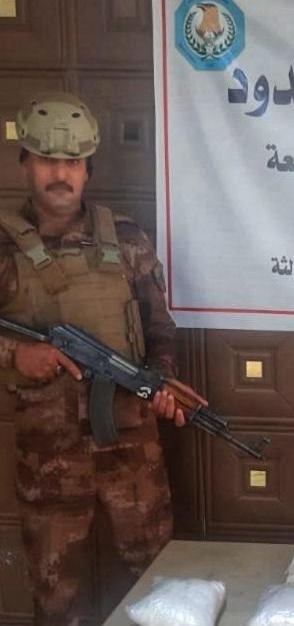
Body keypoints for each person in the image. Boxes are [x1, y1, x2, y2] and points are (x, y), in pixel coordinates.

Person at [0, 91, 185, 626]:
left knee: (158, 592)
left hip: (132, 450)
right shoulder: (3, 247)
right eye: (47, 159)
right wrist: (16, 354)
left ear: (88, 170)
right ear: (25, 163)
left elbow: (160, 330)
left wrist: (162, 384)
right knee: (57, 602)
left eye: (73, 162)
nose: (61, 174)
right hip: (48, 459)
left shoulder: (126, 240)